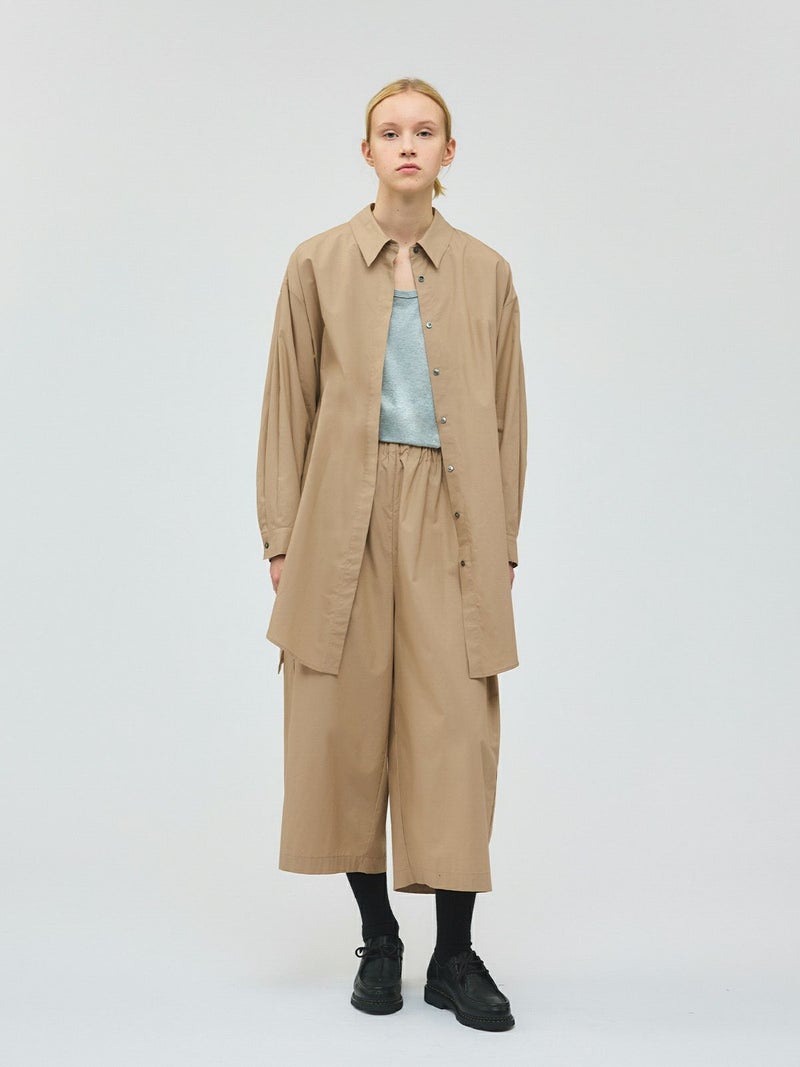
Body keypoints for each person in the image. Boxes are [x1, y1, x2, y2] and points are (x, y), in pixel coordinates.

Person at [256, 77, 527, 1032]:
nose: (407, 144)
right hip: (341, 516)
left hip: (454, 522)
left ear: (448, 153)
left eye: (424, 131)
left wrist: (504, 543)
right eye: (390, 131)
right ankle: (380, 936)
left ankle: (455, 955)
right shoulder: (316, 264)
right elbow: (286, 406)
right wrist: (281, 536)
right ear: (366, 150)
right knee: (343, 726)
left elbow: (508, 415)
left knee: (453, 732)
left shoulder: (488, 272)